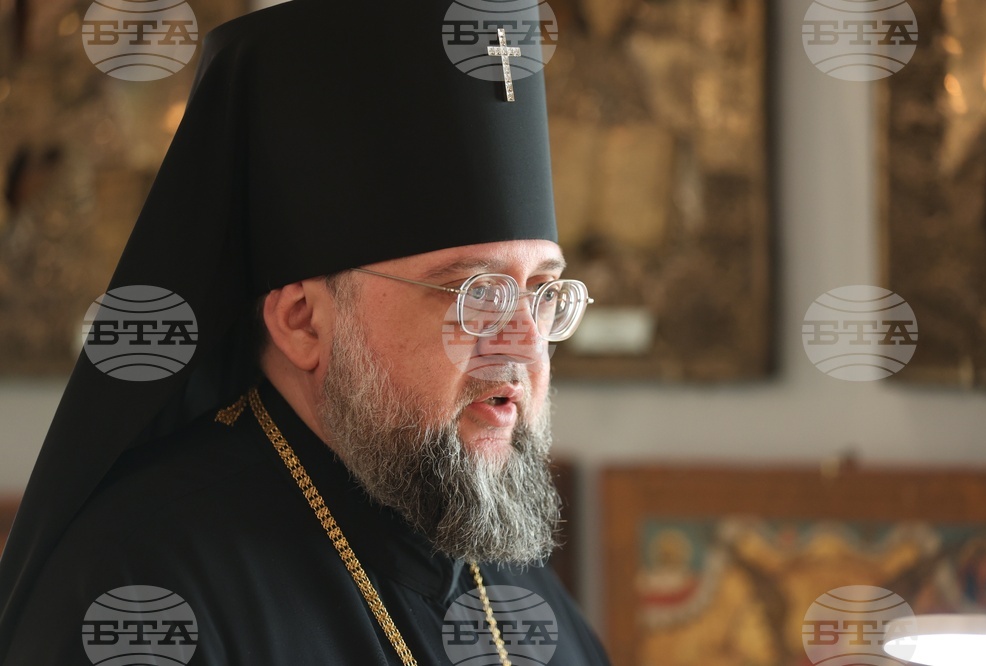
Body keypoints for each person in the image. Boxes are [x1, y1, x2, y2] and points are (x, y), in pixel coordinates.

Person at [0, 0, 611, 664]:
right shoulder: (138, 590)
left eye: (542, 292)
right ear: (302, 322)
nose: (523, 345)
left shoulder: (511, 580)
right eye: (476, 293)